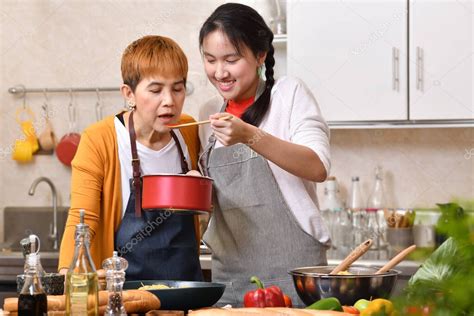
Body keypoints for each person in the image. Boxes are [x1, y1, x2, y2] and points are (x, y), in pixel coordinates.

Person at [198, 3, 331, 305]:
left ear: (260, 55)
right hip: (229, 280)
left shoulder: (289, 95)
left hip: (295, 276)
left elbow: (317, 166)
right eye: (210, 60)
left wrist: (249, 135)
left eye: (231, 59)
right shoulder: (208, 115)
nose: (220, 72)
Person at [58, 35, 203, 281]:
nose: (169, 101)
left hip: (186, 289)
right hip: (122, 292)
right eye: (156, 90)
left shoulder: (189, 129)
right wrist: (68, 275)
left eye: (178, 89)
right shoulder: (100, 139)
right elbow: (84, 217)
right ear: (129, 94)